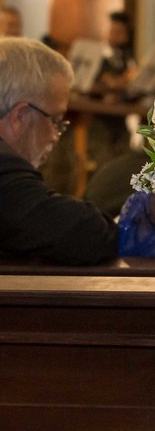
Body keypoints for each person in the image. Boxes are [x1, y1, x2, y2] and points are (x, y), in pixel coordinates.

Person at [0, 37, 118, 264]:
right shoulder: (4, 167)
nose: (56, 135)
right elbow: (82, 233)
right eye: (54, 120)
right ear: (19, 117)